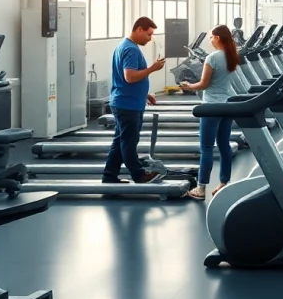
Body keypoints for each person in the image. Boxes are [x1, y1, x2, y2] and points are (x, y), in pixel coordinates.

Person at [102, 17, 167, 184]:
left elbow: (129, 79)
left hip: (128, 101)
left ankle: (109, 176)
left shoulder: (126, 46)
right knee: (129, 142)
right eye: (148, 34)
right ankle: (138, 175)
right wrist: (152, 68)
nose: (150, 38)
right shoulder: (130, 49)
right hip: (127, 104)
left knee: (120, 141)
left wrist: (144, 93)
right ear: (139, 29)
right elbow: (129, 77)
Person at [179, 25, 240, 200]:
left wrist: (189, 85)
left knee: (206, 147)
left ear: (218, 38)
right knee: (224, 145)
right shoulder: (231, 56)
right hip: (227, 104)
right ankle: (223, 182)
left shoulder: (212, 57)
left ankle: (201, 188)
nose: (211, 40)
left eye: (212, 37)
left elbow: (204, 84)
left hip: (211, 106)